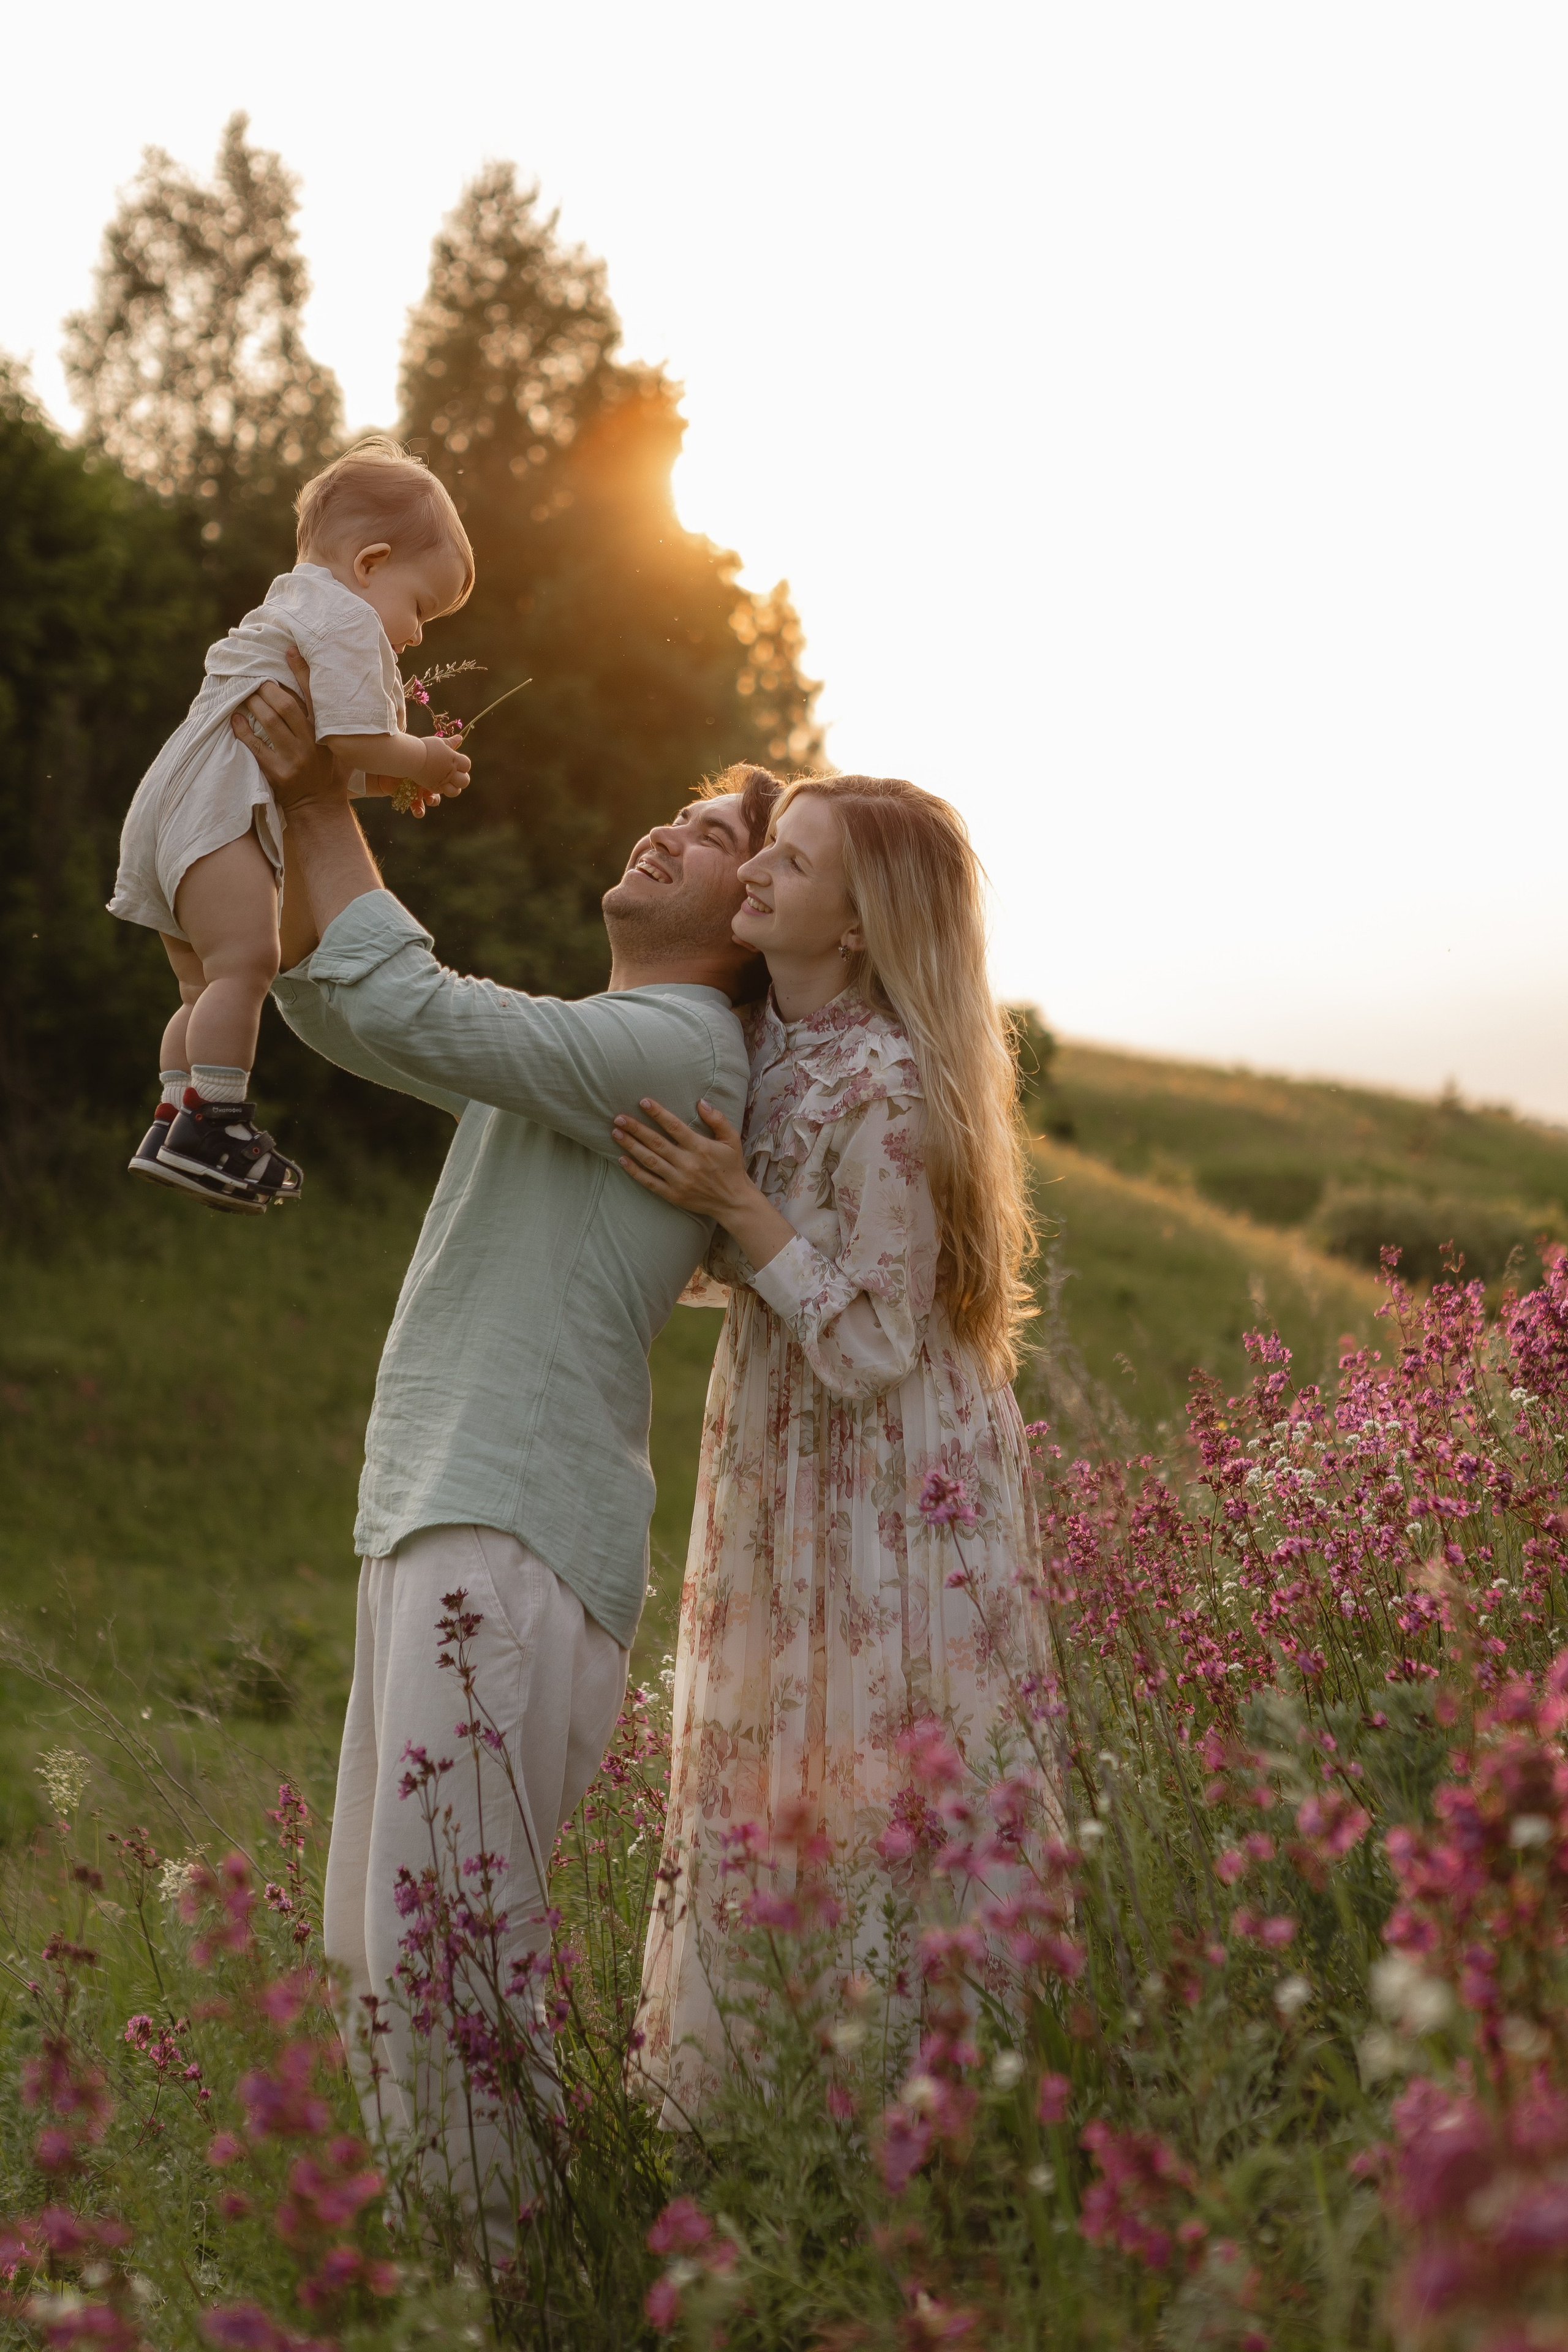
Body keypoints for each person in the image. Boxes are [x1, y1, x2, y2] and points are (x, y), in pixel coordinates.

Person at [233, 669, 778, 2229]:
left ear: (754, 921)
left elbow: (402, 1004)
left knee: (445, 1967)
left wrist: (326, 787)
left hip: (514, 1532)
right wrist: (293, 804)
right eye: (677, 809)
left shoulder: (680, 1050)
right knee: (380, 1953)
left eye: (715, 831)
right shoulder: (611, 1040)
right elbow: (349, 1005)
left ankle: (532, 2283)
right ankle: (502, 2270)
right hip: (446, 1512)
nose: (667, 829)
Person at [609, 774, 1041, 2123]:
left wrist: (739, 1207)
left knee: (870, 1755)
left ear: (854, 928)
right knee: (766, 1747)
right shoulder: (756, 1041)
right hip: (784, 1442)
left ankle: (897, 2108)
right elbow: (715, 1262)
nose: (756, 876)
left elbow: (867, 1346)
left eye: (790, 865)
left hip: (883, 1467)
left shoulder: (890, 1085)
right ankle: (752, 2101)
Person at [110, 437, 473, 1215]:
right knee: (249, 963)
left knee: (202, 986)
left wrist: (394, 782)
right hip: (216, 814)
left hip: (170, 810)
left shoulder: (293, 602)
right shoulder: (344, 615)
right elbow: (349, 743)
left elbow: (320, 761)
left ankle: (173, 1118)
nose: (415, 636)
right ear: (370, 563)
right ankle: (217, 1125)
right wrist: (426, 761)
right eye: (420, 608)